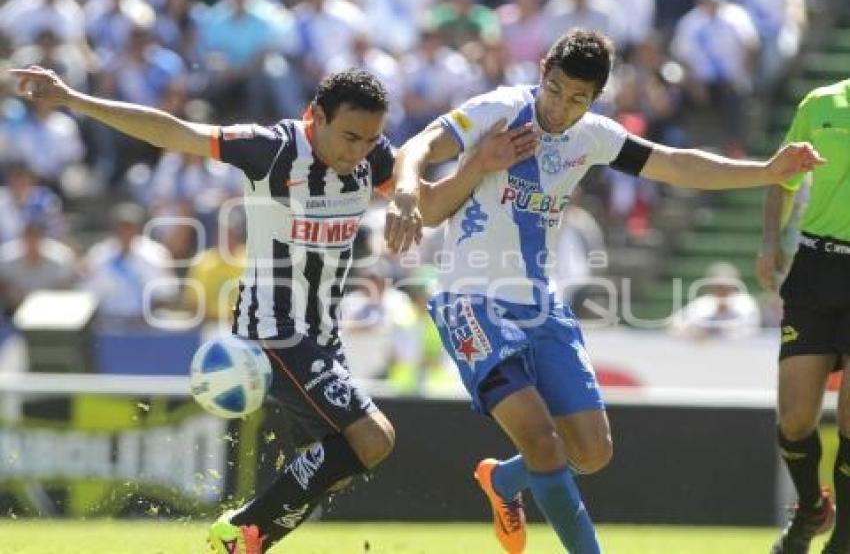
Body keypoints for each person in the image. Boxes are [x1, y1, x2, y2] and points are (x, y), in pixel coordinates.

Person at [11, 65, 534, 553]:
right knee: (372, 437)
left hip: (321, 336)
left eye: (372, 140)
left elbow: (433, 205)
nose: (360, 151)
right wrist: (72, 98)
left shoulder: (371, 159)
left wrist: (479, 165)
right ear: (316, 116)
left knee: (343, 461)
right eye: (350, 137)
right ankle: (241, 532)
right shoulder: (272, 150)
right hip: (272, 331)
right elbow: (172, 131)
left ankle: (242, 539)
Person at [389, 29, 824, 554]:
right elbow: (417, 147)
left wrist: (765, 171)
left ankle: (503, 481)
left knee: (592, 451)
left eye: (578, 99)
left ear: (595, 98)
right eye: (555, 90)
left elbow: (676, 163)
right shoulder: (499, 110)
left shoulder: (591, 136)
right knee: (542, 440)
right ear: (543, 69)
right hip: (470, 300)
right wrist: (408, 197)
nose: (561, 107)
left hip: (540, 303)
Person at [756, 79, 850, 554]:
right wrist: (770, 241)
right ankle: (813, 508)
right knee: (794, 419)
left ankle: (846, 536)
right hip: (816, 269)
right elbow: (784, 176)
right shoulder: (821, 102)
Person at [667, 261, 761, 340]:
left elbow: (749, 332)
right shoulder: (702, 303)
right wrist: (693, 332)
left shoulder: (746, 303)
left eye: (725, 286)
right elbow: (675, 325)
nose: (721, 289)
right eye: (717, 286)